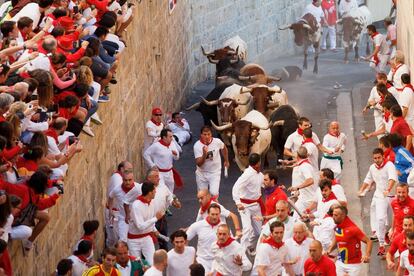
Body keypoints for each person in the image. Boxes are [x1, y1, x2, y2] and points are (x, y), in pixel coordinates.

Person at [358, 148, 397, 255]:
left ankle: (386, 234)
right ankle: (381, 244)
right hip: (380, 196)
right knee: (380, 219)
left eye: (379, 157)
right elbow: (368, 179)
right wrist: (361, 189)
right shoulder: (372, 168)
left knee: (390, 221)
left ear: (383, 156)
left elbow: (392, 178)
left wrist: (388, 189)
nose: (377, 160)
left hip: (392, 196)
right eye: (375, 158)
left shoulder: (389, 165)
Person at [326, 205, 372, 276]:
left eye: (335, 215)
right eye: (333, 215)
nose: (333, 217)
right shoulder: (337, 226)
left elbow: (369, 241)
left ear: (343, 216)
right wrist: (330, 250)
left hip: (354, 265)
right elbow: (338, 238)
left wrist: (367, 255)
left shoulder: (353, 229)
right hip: (340, 262)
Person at [232, 153, 263, 253]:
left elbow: (264, 185)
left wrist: (275, 188)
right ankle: (240, 254)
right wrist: (238, 203)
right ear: (258, 163)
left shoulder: (260, 175)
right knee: (247, 229)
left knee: (259, 232)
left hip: (256, 206)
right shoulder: (247, 175)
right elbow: (235, 187)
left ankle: (250, 246)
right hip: (245, 206)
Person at [127, 181, 164, 265]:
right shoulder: (136, 205)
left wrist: (154, 229)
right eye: (154, 191)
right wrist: (156, 218)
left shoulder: (152, 202)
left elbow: (149, 219)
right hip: (134, 240)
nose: (156, 192)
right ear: (150, 192)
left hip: (147, 237)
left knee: (152, 263)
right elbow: (140, 226)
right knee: (137, 264)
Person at [193, 125, 229, 198]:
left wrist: (226, 160)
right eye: (205, 134)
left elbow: (224, 148)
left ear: (211, 134)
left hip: (214, 172)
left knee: (214, 193)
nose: (207, 136)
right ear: (201, 135)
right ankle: (205, 209)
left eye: (209, 134)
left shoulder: (217, 142)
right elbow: (199, 163)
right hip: (201, 174)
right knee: (202, 196)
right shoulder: (197, 146)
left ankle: (215, 208)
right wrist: (204, 154)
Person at [186, 204, 223, 274]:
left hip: (218, 261)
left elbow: (230, 243)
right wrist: (190, 257)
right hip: (202, 261)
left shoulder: (224, 227)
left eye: (217, 214)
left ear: (220, 214)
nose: (215, 217)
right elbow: (185, 240)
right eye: (212, 214)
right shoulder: (198, 225)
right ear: (208, 214)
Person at [107, 171, 142, 242]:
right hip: (123, 218)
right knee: (123, 240)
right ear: (122, 179)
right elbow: (110, 197)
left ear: (133, 179)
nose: (128, 182)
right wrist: (110, 209)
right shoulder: (117, 189)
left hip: (136, 218)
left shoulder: (138, 188)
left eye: (130, 180)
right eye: (125, 180)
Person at [105, 160, 133, 247]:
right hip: (115, 212)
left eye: (131, 170)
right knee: (114, 238)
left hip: (119, 212)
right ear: (121, 169)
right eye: (128, 169)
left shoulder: (121, 177)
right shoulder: (117, 178)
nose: (130, 171)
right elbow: (120, 196)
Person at [143, 128, 180, 193]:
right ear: (164, 137)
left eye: (172, 136)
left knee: (170, 191)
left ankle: (170, 203)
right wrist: (152, 165)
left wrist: (175, 154)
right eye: (170, 137)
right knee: (161, 191)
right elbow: (146, 154)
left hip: (170, 172)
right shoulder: (156, 146)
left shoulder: (172, 144)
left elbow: (177, 158)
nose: (172, 138)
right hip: (160, 173)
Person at [288, 147, 317, 215]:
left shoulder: (304, 166)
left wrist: (297, 188)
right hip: (306, 198)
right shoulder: (304, 165)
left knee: (296, 219)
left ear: (297, 155)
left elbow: (310, 180)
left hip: (306, 200)